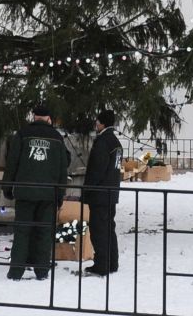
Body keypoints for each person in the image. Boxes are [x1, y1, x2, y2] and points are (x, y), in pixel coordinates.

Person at [3, 102, 70, 281]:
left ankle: (16, 271)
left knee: (22, 232)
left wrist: (7, 187)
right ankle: (42, 271)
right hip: (48, 195)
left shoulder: (23, 134)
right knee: (44, 233)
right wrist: (60, 194)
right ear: (49, 118)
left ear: (34, 117)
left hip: (25, 193)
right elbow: (63, 169)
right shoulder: (57, 137)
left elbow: (12, 163)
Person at [82, 110, 123, 276]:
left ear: (103, 123)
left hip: (100, 194)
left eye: (97, 121)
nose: (96, 124)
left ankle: (102, 265)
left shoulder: (103, 142)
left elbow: (96, 170)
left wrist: (87, 190)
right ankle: (112, 262)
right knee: (109, 228)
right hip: (111, 192)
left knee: (99, 230)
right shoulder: (115, 142)